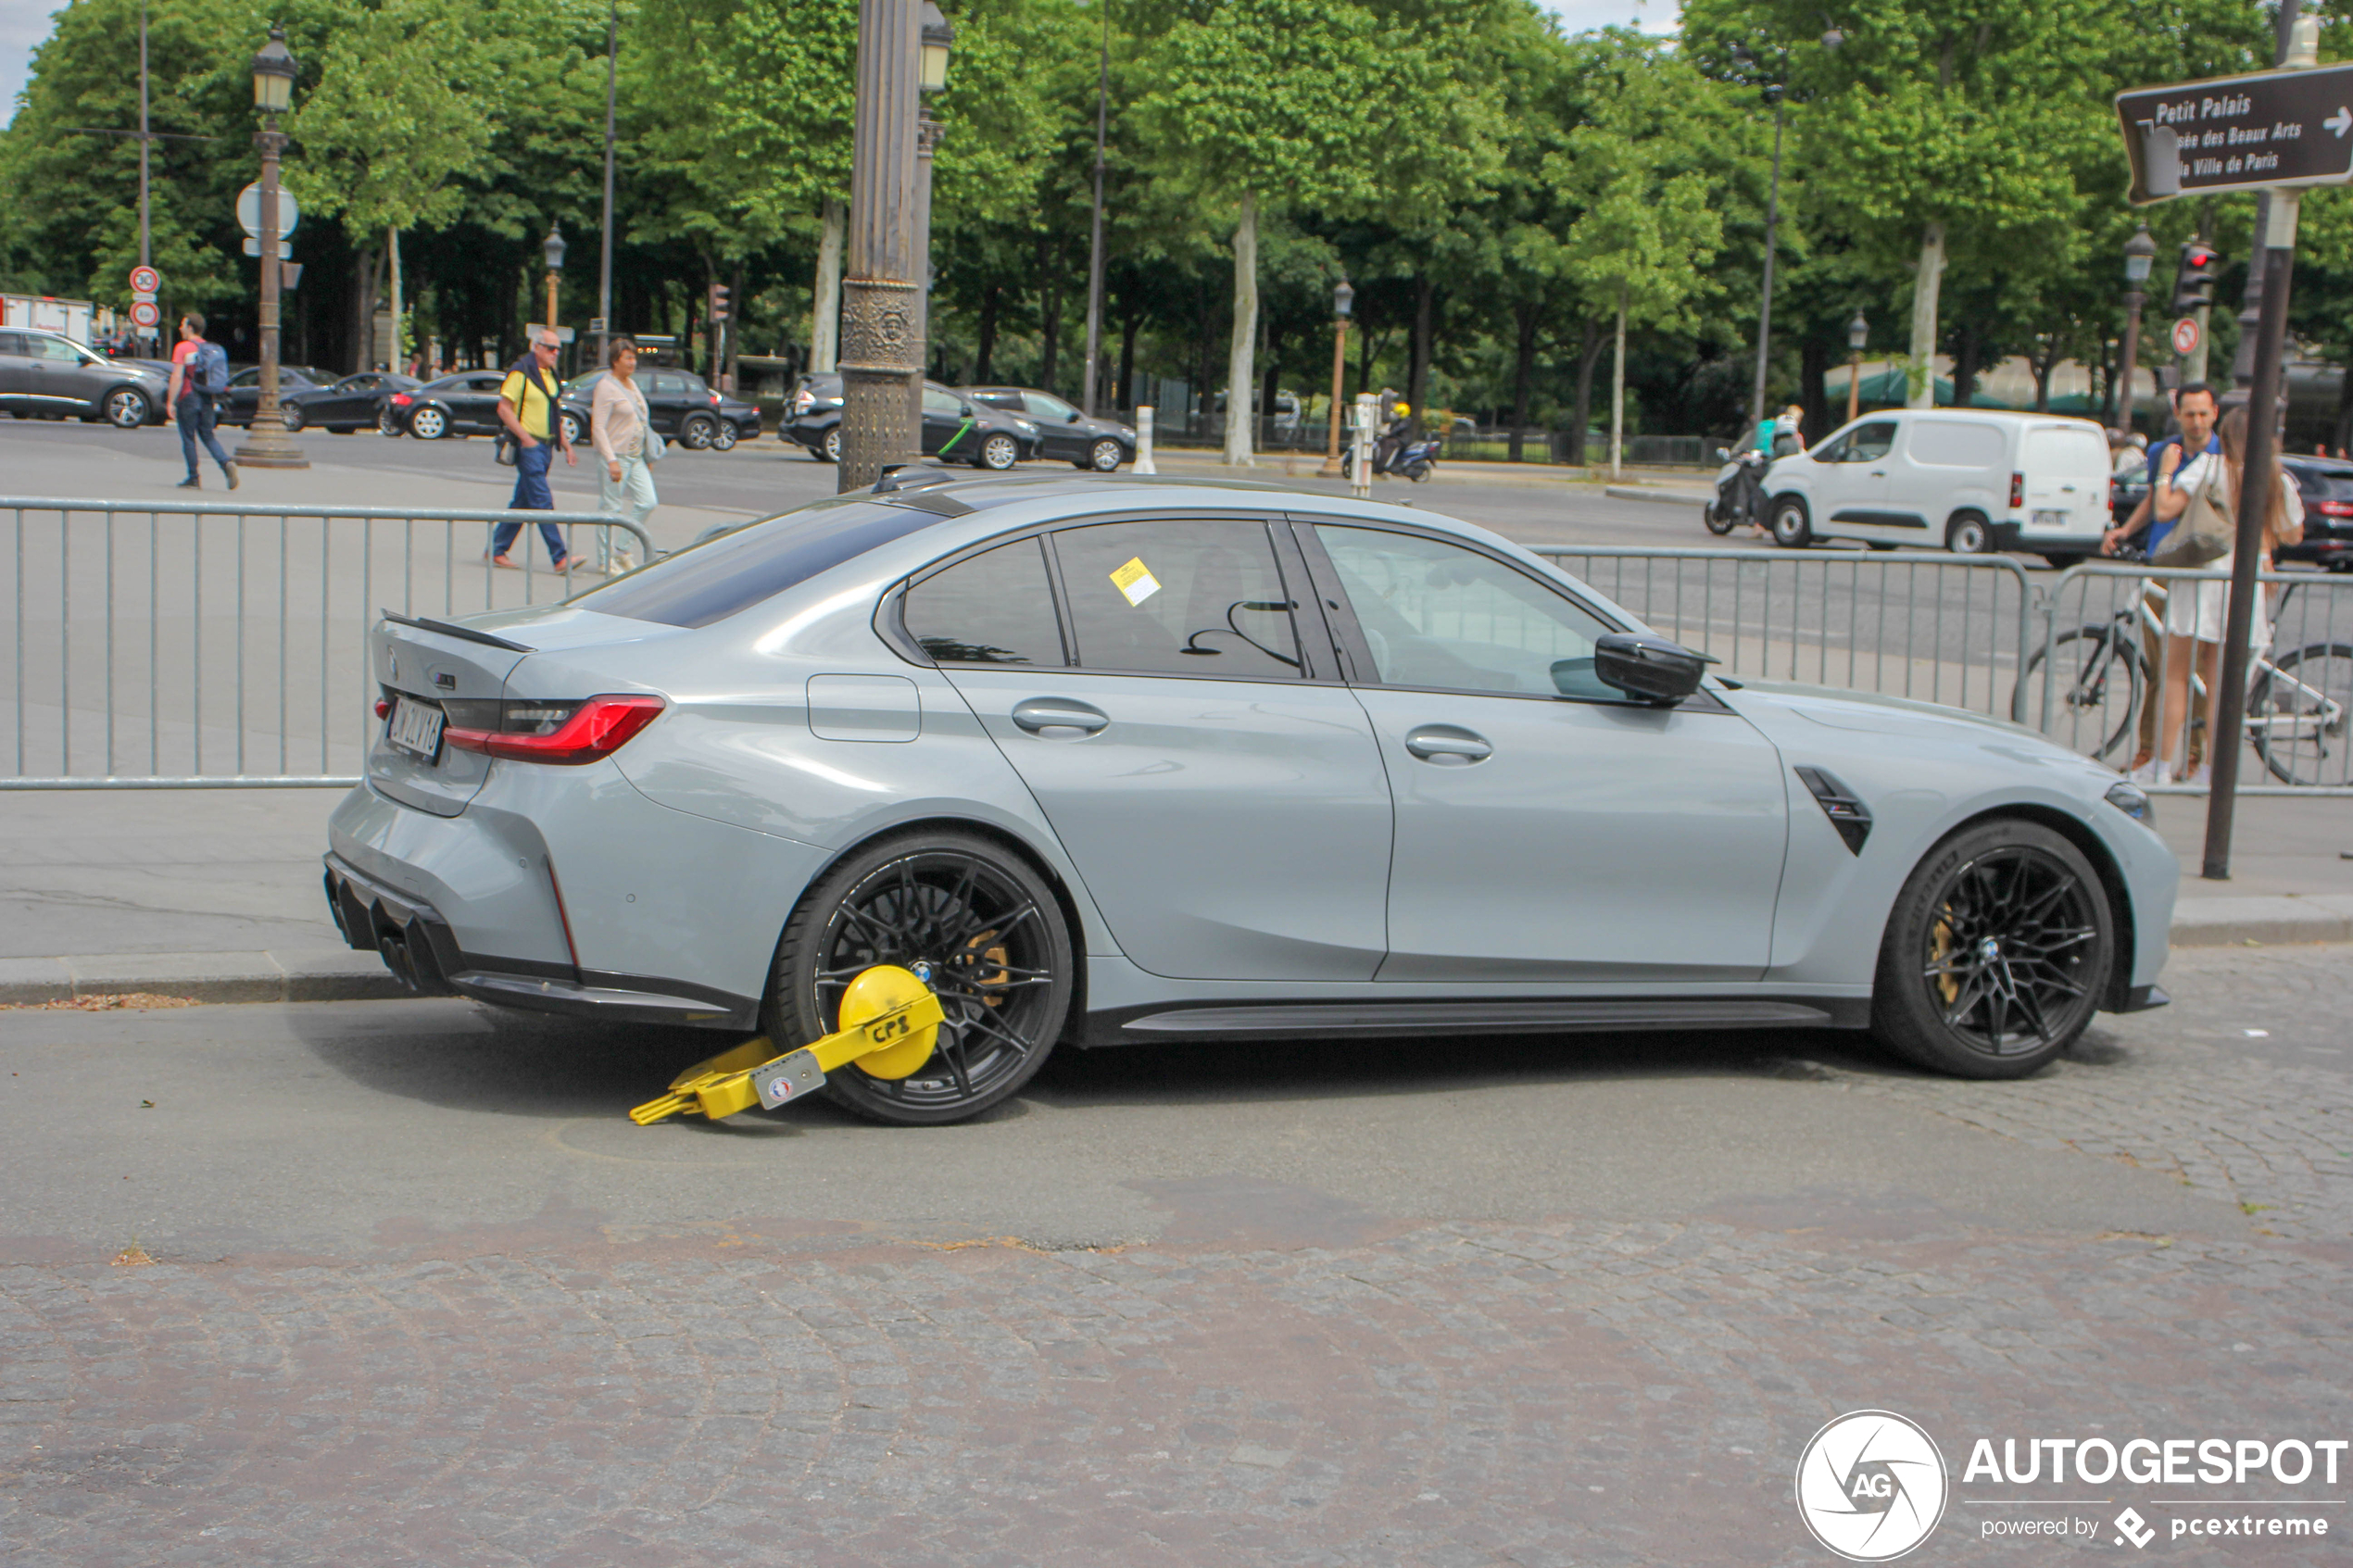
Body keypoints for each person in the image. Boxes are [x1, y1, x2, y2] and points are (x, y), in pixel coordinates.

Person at [2144, 402, 2303, 785]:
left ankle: (2161, 767)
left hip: (2202, 580)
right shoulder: (2275, 477)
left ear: (2227, 435)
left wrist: (2165, 471)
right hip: (2245, 584)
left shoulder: (2209, 467)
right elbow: (2293, 534)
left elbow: (2165, 510)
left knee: (2177, 675)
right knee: (2220, 686)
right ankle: (2212, 772)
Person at [2108, 384, 2219, 778]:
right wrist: (2126, 530)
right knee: (2161, 664)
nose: (2197, 421)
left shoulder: (2220, 457)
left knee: (2200, 667)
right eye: (2190, 413)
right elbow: (2155, 502)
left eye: (2203, 413)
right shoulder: (2162, 452)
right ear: (2178, 413)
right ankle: (2151, 750)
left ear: (2215, 413)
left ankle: (2189, 751)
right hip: (2163, 562)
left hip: (2201, 566)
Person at [490, 328, 575, 570]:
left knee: (523, 500)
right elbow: (504, 408)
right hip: (529, 447)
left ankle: (496, 549)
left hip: (546, 446)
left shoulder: (551, 375)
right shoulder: (521, 373)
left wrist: (566, 444)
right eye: (550, 348)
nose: (555, 353)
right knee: (541, 499)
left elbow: (554, 412)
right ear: (536, 347)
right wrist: (526, 438)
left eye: (558, 349)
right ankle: (560, 556)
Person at [589, 337, 655, 574]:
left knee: (648, 501)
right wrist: (611, 460)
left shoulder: (631, 384)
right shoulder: (606, 387)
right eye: (628, 357)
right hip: (615, 456)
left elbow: (641, 419)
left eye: (634, 357)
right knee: (610, 508)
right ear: (615, 361)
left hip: (635, 456)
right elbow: (598, 427)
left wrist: (648, 457)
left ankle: (622, 549)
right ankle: (605, 560)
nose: (632, 362)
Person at [164, 312, 236, 492]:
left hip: (188, 397)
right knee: (208, 435)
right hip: (207, 397)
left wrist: (170, 402)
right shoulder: (211, 349)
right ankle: (225, 462)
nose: (180, 328)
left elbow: (177, 377)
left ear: (190, 328)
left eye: (182, 324)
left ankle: (193, 477)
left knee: (188, 437)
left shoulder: (183, 347)